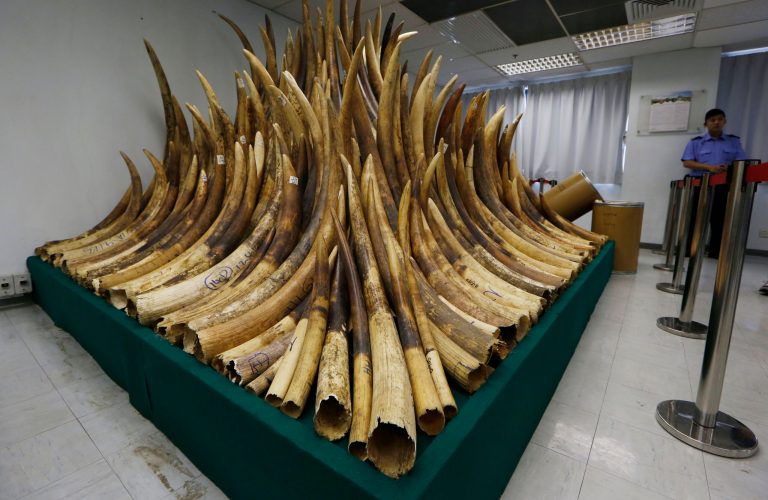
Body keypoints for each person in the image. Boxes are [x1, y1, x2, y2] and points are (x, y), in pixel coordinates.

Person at [681, 108, 747, 258]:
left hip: (723, 184)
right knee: (695, 217)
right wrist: (709, 167)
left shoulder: (734, 141)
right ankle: (689, 250)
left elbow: (742, 161)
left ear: (724, 121)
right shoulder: (696, 143)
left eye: (720, 119)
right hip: (700, 183)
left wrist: (728, 168)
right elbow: (687, 162)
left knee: (720, 218)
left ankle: (715, 251)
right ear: (706, 124)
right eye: (713, 120)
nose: (716, 122)